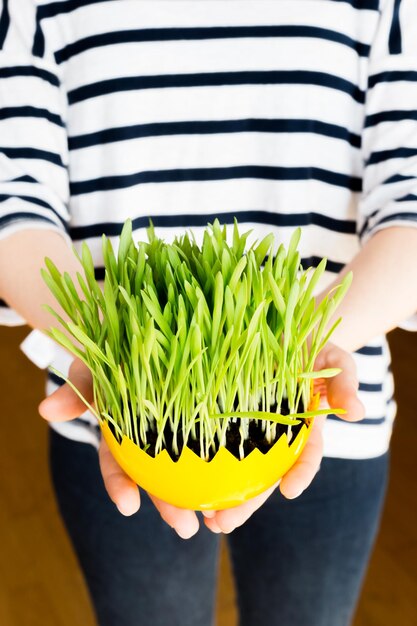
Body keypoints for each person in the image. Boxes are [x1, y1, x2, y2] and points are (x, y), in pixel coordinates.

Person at [0, 1, 417, 625]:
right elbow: (14, 200)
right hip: (118, 420)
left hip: (322, 407)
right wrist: (99, 344)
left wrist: (306, 348)